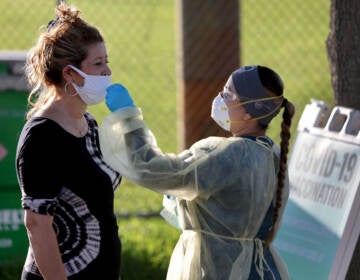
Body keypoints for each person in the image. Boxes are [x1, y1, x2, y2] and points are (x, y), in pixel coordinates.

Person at [99, 65, 295, 280]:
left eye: (229, 94)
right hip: (263, 271)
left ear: (249, 112)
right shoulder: (275, 155)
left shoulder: (227, 155)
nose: (221, 98)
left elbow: (152, 169)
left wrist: (127, 118)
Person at [15, 3, 122, 280]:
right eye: (98, 64)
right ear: (70, 73)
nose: (107, 72)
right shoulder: (42, 136)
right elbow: (37, 225)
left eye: (106, 61)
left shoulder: (89, 124)